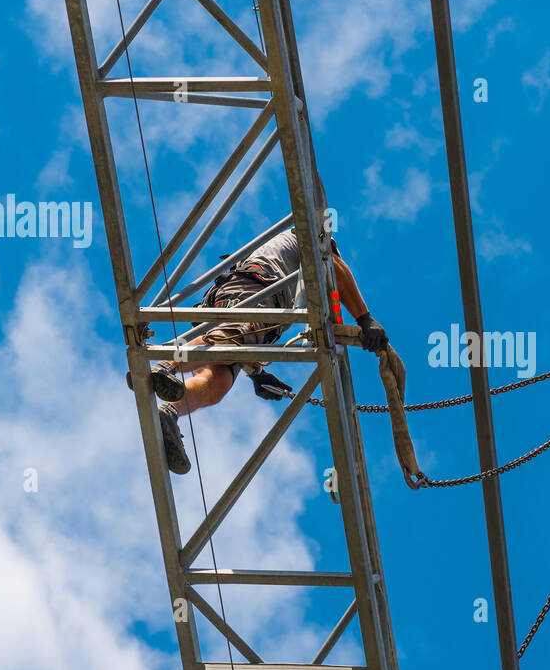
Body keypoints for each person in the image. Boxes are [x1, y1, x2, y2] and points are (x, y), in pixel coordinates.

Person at [129, 185, 387, 474]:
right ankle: (165, 366)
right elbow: (336, 269)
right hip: (257, 288)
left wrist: (257, 374)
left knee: (219, 382)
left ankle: (171, 412)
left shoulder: (297, 270)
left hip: (243, 303)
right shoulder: (313, 242)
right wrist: (365, 319)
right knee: (232, 340)